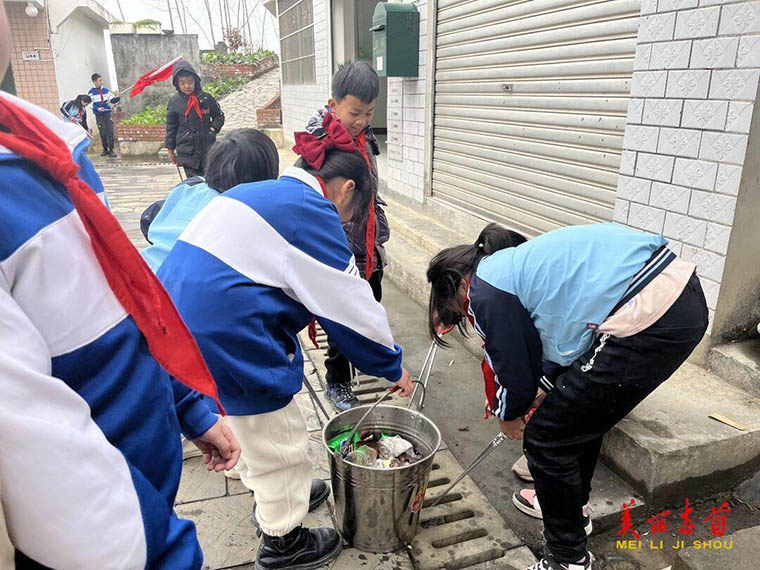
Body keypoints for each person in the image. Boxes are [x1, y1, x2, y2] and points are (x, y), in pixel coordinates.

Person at [0, 6, 240, 566]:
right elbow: (42, 457)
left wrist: (187, 406)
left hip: (148, 482)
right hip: (121, 533)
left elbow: (123, 300)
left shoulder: (48, 149)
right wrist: (168, 553)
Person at [157, 121, 415, 570]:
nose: (348, 223)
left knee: (246, 424)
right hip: (223, 333)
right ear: (346, 189)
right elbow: (352, 306)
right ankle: (283, 540)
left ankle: (276, 493)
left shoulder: (269, 195)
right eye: (354, 213)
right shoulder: (309, 210)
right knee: (279, 434)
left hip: (180, 324)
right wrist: (393, 366)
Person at [427, 222, 708, 570]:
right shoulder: (509, 268)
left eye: (455, 310)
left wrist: (509, 415)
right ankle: (573, 512)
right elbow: (556, 346)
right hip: (676, 298)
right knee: (575, 419)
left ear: (454, 284)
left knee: (547, 437)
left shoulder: (483, 290)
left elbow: (512, 367)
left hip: (652, 312)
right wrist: (543, 391)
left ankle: (567, 560)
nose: (462, 315)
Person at [305, 61, 391, 412]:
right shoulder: (317, 143)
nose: (362, 120)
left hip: (368, 243)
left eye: (369, 113)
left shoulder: (363, 136)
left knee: (369, 305)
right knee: (342, 315)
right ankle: (337, 380)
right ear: (333, 103)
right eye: (355, 112)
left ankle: (368, 360)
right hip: (337, 245)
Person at [141, 128, 279, 272]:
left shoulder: (189, 188)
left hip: (142, 271)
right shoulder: (247, 211)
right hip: (171, 287)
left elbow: (148, 218)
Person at [166, 60, 224, 178]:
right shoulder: (174, 102)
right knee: (194, 183)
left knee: (210, 180)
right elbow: (171, 127)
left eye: (190, 82)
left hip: (207, 147)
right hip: (187, 151)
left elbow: (219, 116)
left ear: (196, 81)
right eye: (182, 83)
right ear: (177, 84)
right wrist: (170, 150)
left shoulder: (206, 98)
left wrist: (213, 129)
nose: (187, 86)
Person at [88, 73, 119, 157]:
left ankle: (111, 149)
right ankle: (105, 149)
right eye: (100, 80)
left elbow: (112, 99)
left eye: (102, 80)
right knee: (102, 132)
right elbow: (90, 104)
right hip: (99, 115)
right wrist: (97, 108)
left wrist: (116, 99)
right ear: (94, 82)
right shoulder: (91, 92)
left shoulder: (106, 91)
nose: (101, 82)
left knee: (110, 131)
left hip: (107, 113)